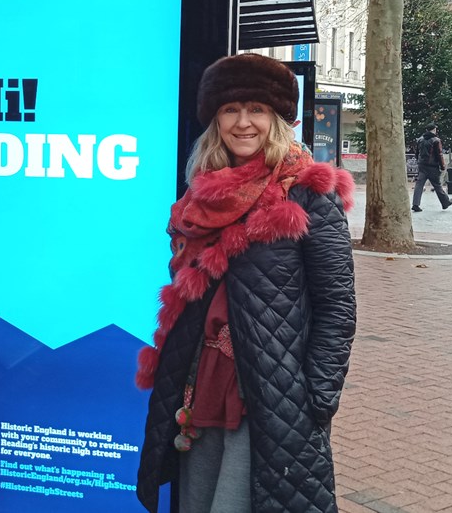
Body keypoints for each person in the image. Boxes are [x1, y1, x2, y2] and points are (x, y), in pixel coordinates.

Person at [135, 53, 356, 513]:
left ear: (277, 119)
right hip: (201, 385)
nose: (243, 123)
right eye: (230, 110)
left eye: (256, 109)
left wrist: (316, 398)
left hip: (270, 395)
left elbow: (337, 306)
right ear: (215, 119)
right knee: (197, 501)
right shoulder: (200, 193)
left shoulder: (310, 195)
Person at [412, 123, 452, 212]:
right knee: (437, 185)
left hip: (422, 166)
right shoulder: (436, 140)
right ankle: (445, 202)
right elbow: (439, 154)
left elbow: (417, 153)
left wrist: (419, 162)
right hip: (432, 167)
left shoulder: (420, 140)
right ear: (434, 130)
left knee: (419, 185)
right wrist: (442, 166)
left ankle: (415, 204)